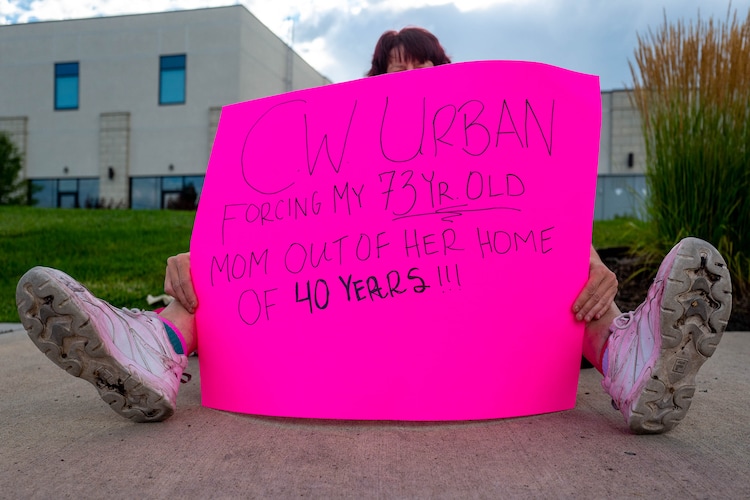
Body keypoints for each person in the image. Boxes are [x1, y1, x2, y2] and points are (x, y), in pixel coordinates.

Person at [15, 27, 732, 433]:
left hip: (471, 332)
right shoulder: (331, 169)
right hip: (352, 322)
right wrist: (204, 255)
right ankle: (155, 349)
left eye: (425, 70)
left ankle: (631, 360)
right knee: (215, 276)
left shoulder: (492, 157)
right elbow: (264, 239)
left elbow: (527, 231)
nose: (410, 81)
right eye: (395, 73)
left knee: (570, 272)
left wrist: (586, 259)